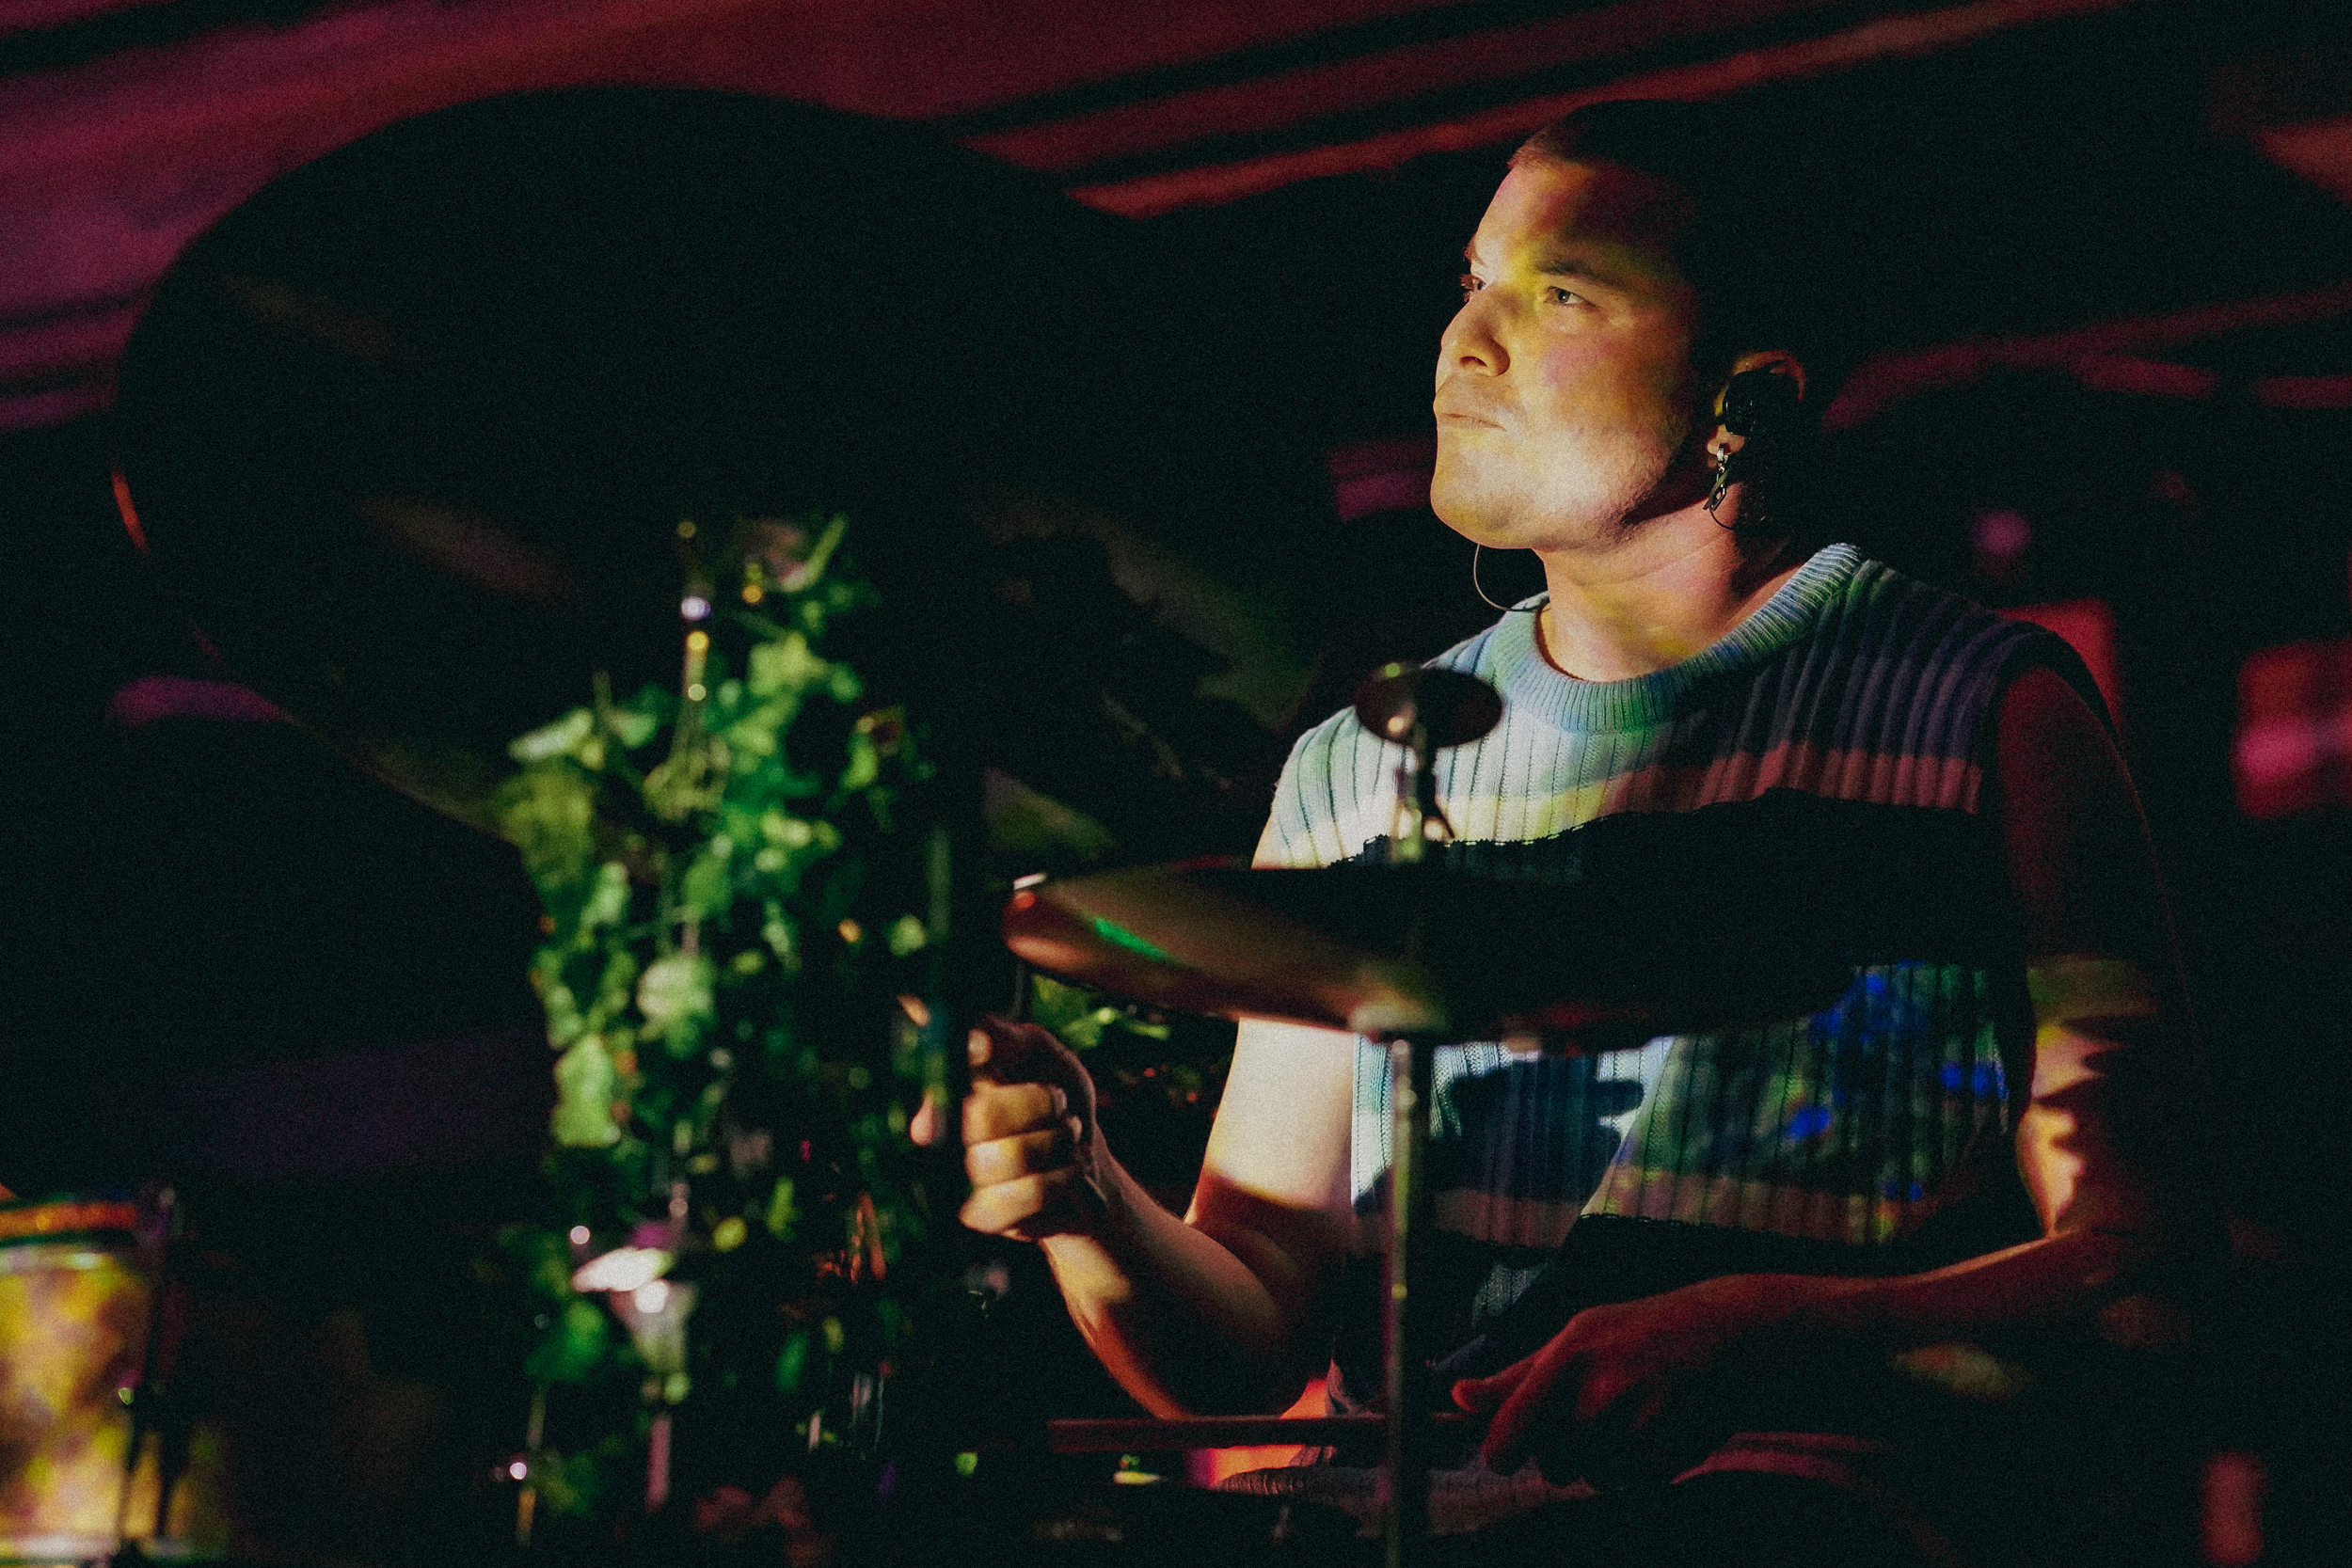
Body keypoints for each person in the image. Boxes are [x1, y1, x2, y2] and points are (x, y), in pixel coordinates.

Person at [942, 101, 2214, 1563]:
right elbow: (1243, 1345)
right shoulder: (1361, 767)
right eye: (1470, 282)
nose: (1464, 344)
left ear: (1752, 399)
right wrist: (1083, 1192)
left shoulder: (1988, 714)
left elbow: (2142, 1275)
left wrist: (1787, 1333)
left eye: (1557, 296)